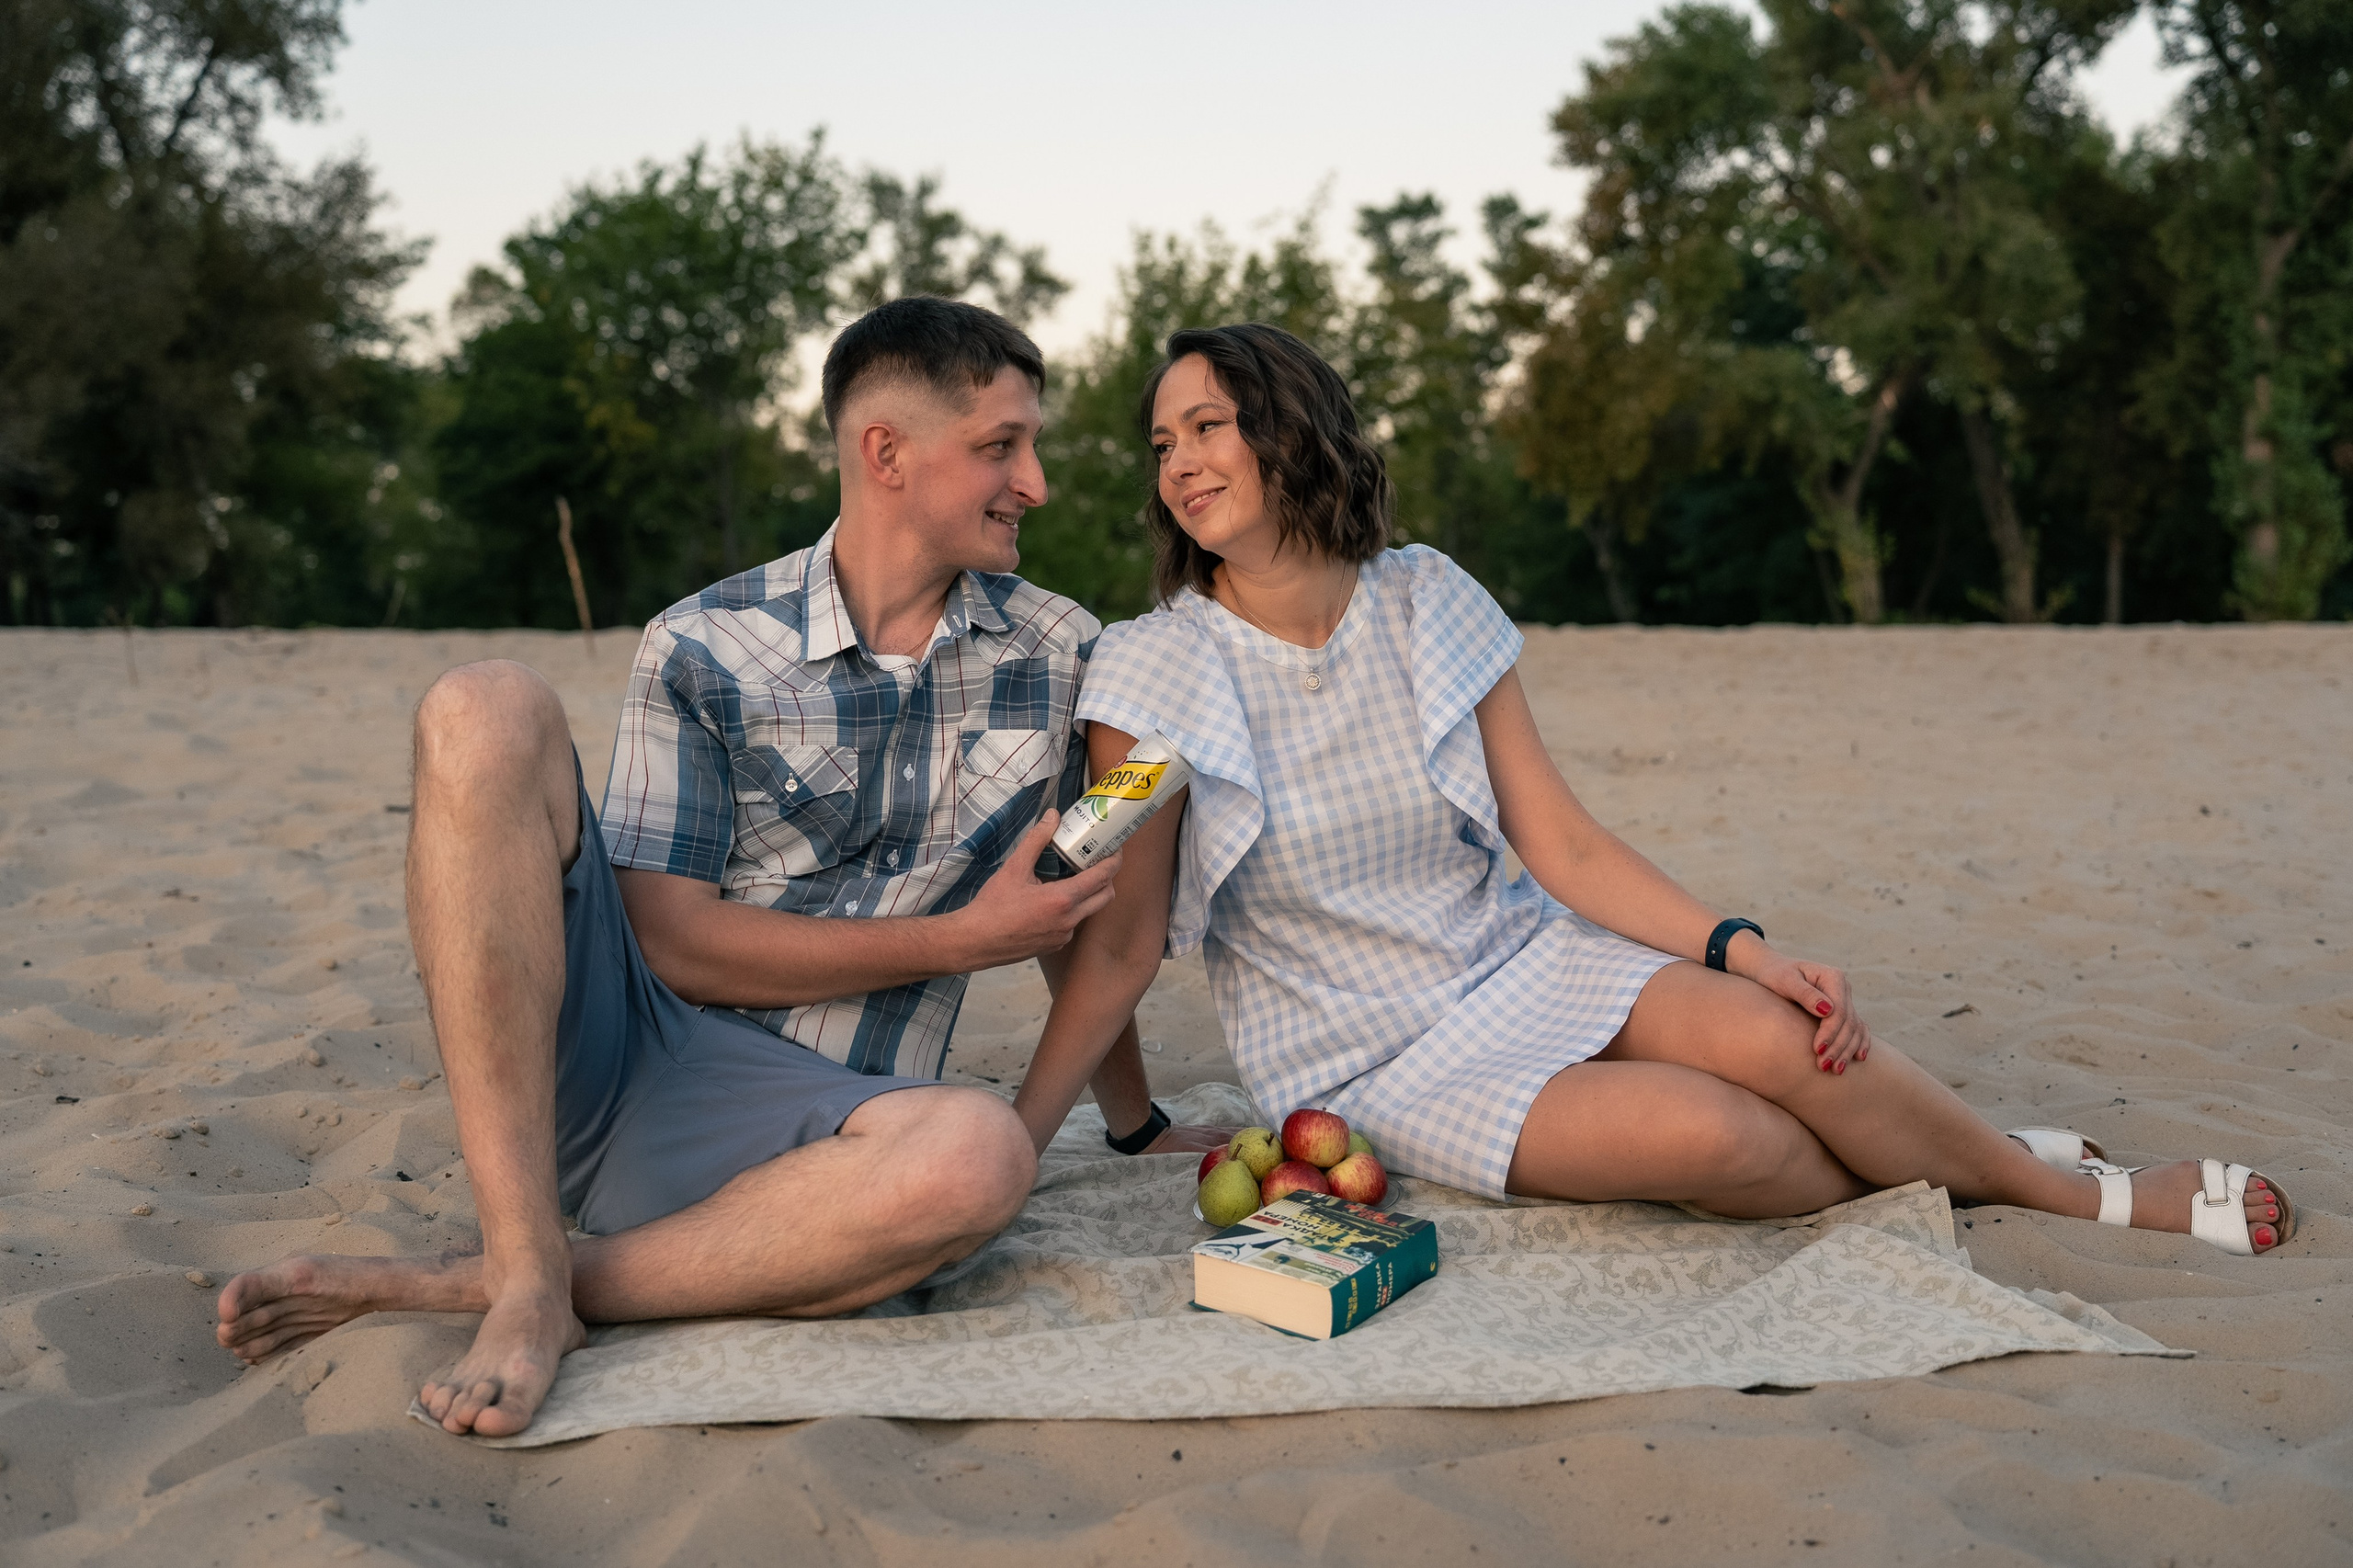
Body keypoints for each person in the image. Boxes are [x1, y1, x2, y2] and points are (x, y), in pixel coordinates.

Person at [1006, 322, 2295, 1265]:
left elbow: (1560, 842)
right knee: (1723, 1136)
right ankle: (1982, 1160)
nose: (1178, 460)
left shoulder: (1425, 597)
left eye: (1209, 424)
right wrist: (1026, 1144)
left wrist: (1745, 948)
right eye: (1162, 441)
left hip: (1524, 958)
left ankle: (2060, 1188)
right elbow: (1116, 936)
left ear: (1294, 429)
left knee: (1786, 1039)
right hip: (1373, 1059)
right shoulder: (1156, 672)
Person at [214, 298, 1219, 1438]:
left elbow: (1094, 916)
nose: (1035, 481)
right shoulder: (703, 641)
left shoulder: (1065, 653)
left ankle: (505, 1282)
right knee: (482, 704)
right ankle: (528, 1260)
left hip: (833, 1132)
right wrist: (959, 940)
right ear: (885, 452)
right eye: (1001, 446)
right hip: (621, 1059)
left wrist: (1129, 1123)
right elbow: (671, 938)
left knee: (980, 1156)